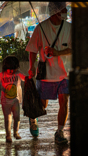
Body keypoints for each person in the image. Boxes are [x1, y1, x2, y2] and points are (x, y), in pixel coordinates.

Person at [25, 2, 72, 144]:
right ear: (55, 11)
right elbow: (33, 49)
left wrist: (58, 52)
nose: (66, 10)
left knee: (64, 101)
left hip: (65, 73)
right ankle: (33, 117)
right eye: (63, 8)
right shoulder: (41, 28)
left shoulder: (69, 28)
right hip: (45, 74)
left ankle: (60, 131)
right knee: (42, 105)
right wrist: (32, 67)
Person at [0, 55, 26, 142]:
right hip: (5, 101)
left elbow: (26, 79)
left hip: (16, 100)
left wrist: (30, 76)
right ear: (5, 67)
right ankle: (8, 135)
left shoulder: (18, 74)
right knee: (7, 118)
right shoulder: (2, 75)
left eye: (13, 69)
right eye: (9, 69)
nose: (11, 71)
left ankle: (16, 132)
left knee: (17, 117)